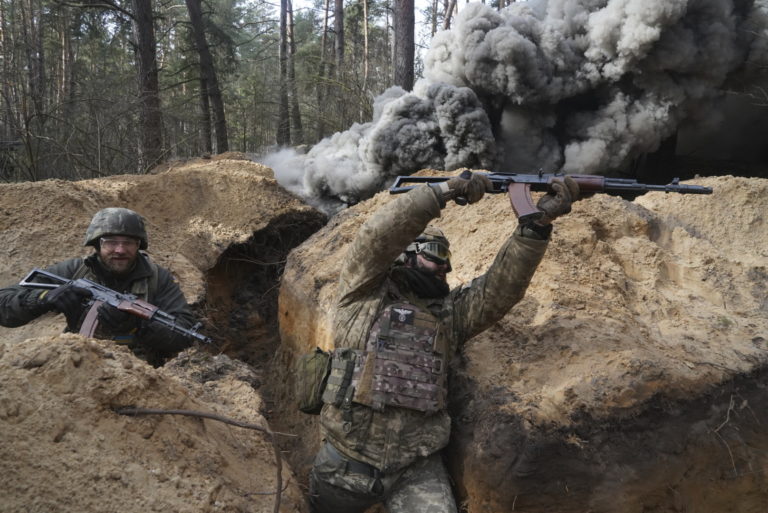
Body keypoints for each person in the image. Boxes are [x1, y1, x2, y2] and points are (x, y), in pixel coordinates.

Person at [308, 171, 579, 513]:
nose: (445, 267)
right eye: (436, 254)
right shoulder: (360, 294)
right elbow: (378, 237)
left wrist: (537, 225)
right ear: (407, 252)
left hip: (417, 469)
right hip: (345, 462)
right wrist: (441, 193)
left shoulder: (449, 314)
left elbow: (500, 290)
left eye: (448, 260)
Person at [0, 207, 198, 366]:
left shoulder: (157, 278)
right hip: (76, 363)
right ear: (97, 244)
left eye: (128, 242)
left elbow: (184, 335)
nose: (120, 250)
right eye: (110, 242)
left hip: (137, 373)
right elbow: (4, 302)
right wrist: (43, 298)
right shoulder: (76, 271)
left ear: (139, 245)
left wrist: (137, 326)